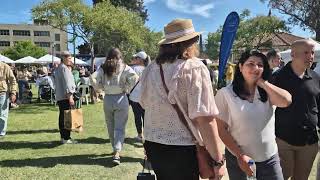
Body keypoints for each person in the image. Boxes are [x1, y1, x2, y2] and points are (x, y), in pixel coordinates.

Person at [139, 19, 225, 180]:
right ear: (191, 43)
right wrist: (218, 160)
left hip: (153, 144)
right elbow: (205, 119)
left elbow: (144, 103)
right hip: (183, 148)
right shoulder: (194, 68)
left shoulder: (150, 69)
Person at [215, 50, 292, 180]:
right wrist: (240, 156)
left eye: (260, 65)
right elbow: (221, 129)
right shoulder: (225, 94)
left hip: (270, 159)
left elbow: (286, 101)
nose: (256, 68)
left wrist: (262, 83)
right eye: (250, 63)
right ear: (240, 67)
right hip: (240, 159)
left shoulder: (266, 92)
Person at [271, 39, 320, 180]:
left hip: (309, 142)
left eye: (311, 53)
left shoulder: (315, 77)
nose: (310, 56)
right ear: (293, 54)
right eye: (305, 52)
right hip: (283, 140)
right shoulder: (277, 77)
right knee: (281, 177)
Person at [92, 48, 138, 165]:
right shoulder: (124, 66)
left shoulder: (103, 67)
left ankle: (114, 148)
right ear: (119, 56)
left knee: (110, 126)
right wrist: (127, 88)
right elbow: (135, 77)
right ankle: (117, 152)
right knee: (119, 127)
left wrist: (100, 88)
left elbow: (92, 78)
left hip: (108, 99)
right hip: (121, 98)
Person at [54, 51, 77, 144]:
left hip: (61, 97)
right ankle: (65, 137)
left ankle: (64, 137)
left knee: (63, 117)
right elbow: (67, 84)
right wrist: (70, 98)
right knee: (66, 118)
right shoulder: (63, 68)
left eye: (70, 56)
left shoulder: (60, 68)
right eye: (67, 56)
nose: (69, 58)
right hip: (65, 97)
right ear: (62, 57)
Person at [129, 51, 150, 142]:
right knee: (146, 117)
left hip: (134, 97)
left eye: (135, 58)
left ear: (140, 59)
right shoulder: (149, 69)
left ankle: (140, 135)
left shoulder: (133, 69)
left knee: (137, 117)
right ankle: (147, 135)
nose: (134, 59)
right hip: (146, 97)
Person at [0, 61, 17, 138]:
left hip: (2, 93)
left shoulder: (5, 66)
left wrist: (13, 92)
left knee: (2, 114)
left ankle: (1, 132)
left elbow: (13, 81)